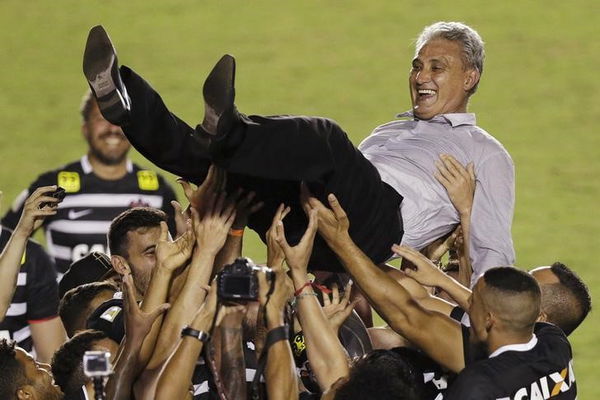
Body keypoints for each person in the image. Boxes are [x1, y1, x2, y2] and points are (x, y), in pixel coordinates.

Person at [82, 21, 514, 285]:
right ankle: (128, 108)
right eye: (417, 65)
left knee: (324, 137)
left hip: (378, 225)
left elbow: (495, 256)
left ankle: (229, 131)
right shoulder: (392, 128)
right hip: (318, 224)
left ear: (471, 76)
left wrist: (466, 211)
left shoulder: (485, 153)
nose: (421, 75)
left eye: (437, 67)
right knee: (220, 170)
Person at [304, 192, 577, 399]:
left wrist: (340, 242)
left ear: (491, 319)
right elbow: (413, 311)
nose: (465, 301)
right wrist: (440, 280)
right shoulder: (554, 345)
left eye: (473, 301)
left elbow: (407, 316)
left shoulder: (476, 386)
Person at [1, 92, 178, 274]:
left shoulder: (157, 189)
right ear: (85, 128)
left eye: (120, 119)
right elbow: (6, 239)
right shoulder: (53, 186)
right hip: (68, 302)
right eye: (102, 119)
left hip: (138, 303)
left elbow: (176, 254)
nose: (113, 129)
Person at [0, 187, 67, 364]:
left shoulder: (32, 256)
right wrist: (21, 233)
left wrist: (21, 235)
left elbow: (51, 357)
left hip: (17, 388)